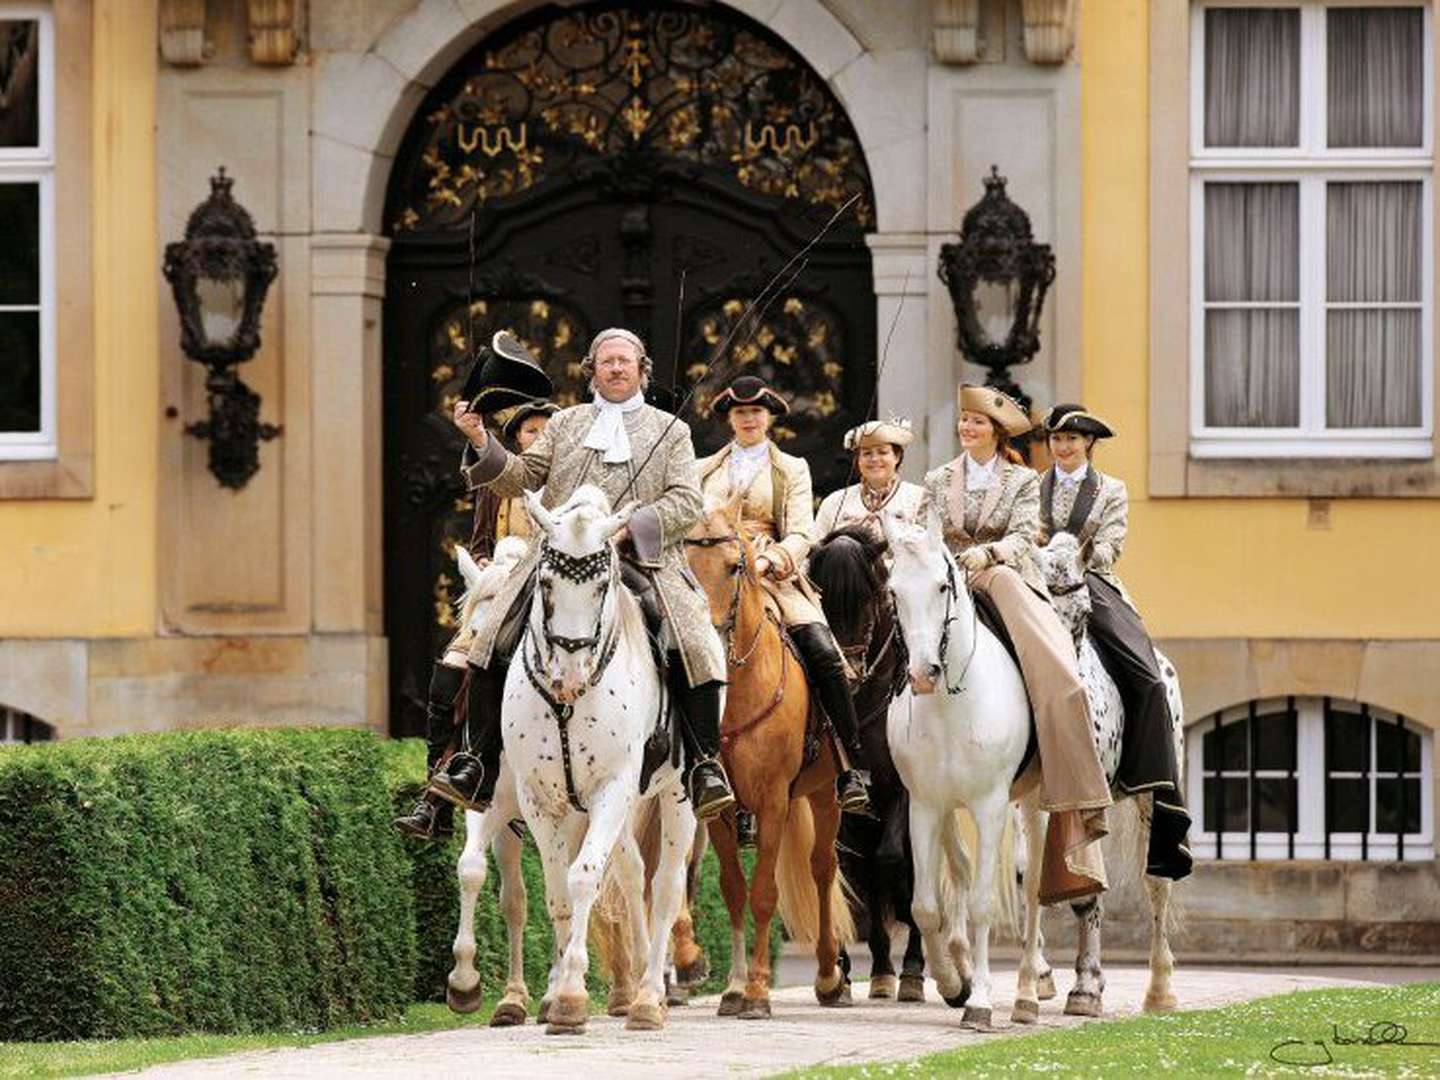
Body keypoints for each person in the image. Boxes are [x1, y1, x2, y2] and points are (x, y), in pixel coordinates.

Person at [430, 327, 736, 821]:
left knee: (694, 638)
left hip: (641, 559)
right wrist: (479, 438)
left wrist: (627, 528)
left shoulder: (670, 429)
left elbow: (686, 500)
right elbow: (519, 479)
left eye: (625, 360)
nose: (616, 368)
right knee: (490, 634)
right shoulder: (566, 424)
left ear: (642, 369)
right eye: (606, 361)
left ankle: (703, 764)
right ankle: (475, 762)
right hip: (560, 555)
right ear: (591, 370)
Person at [921, 384, 1112, 905]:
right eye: (963, 421)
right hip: (947, 580)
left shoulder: (1024, 481)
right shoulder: (938, 479)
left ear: (997, 432)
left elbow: (1028, 536)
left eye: (977, 423)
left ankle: (1065, 755)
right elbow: (926, 531)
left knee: (1059, 672)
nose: (967, 428)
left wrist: (988, 555)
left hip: (1001, 576)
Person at [697, 375, 870, 814]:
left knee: (822, 649)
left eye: (756, 412)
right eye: (740, 413)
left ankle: (851, 764)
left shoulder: (792, 468)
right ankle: (693, 762)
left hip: (771, 575)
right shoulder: (701, 469)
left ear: (769, 417)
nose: (749, 419)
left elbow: (801, 532)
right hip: (712, 578)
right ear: (730, 420)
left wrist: (769, 561)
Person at [1039, 403, 1192, 881]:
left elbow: (1112, 542)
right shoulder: (1031, 487)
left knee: (1146, 676)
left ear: (1088, 444)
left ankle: (1151, 776)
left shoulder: (1111, 490)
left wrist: (1079, 557)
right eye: (1056, 439)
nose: (1062, 446)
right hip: (1036, 579)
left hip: (1093, 581)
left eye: (1071, 439)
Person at [393, 398, 556, 840]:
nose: (537, 438)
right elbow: (481, 541)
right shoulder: (495, 484)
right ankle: (437, 794)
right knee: (452, 670)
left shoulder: (570, 483)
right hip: (501, 592)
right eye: (529, 432)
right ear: (517, 439)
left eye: (546, 431)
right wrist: (485, 565)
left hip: (551, 595)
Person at [812, 417, 927, 546]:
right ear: (858, 460)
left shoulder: (919, 499)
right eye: (867, 453)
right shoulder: (834, 502)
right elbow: (815, 552)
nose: (874, 459)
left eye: (882, 452)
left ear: (897, 457)